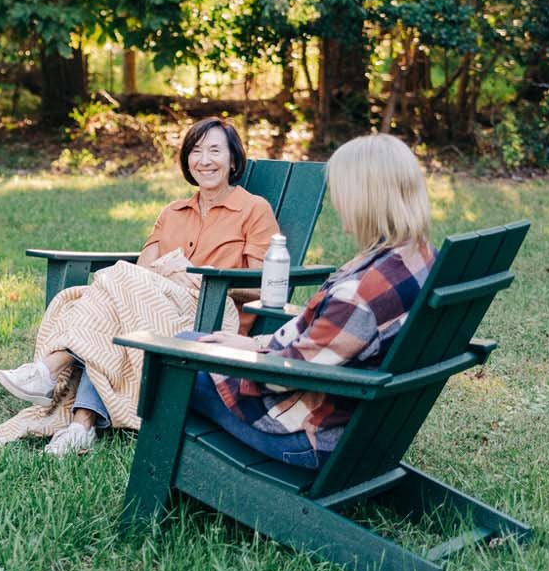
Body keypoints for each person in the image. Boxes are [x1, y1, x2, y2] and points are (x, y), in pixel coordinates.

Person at [0, 118, 276, 454]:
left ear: (233, 160)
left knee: (113, 288)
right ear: (187, 160)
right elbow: (142, 270)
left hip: (211, 321)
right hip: (155, 308)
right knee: (107, 304)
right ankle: (81, 426)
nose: (205, 160)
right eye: (196, 151)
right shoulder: (173, 212)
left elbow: (262, 287)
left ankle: (51, 368)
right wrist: (168, 274)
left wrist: (200, 275)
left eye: (215, 151)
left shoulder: (253, 210)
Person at [182, 132, 437, 470]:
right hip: (364, 424)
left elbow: (283, 377)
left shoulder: (358, 295)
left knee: (175, 358)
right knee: (194, 341)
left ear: (364, 198)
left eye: (341, 192)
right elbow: (321, 342)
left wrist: (240, 357)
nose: (337, 203)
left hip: (310, 436)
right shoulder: (419, 258)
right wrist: (251, 343)